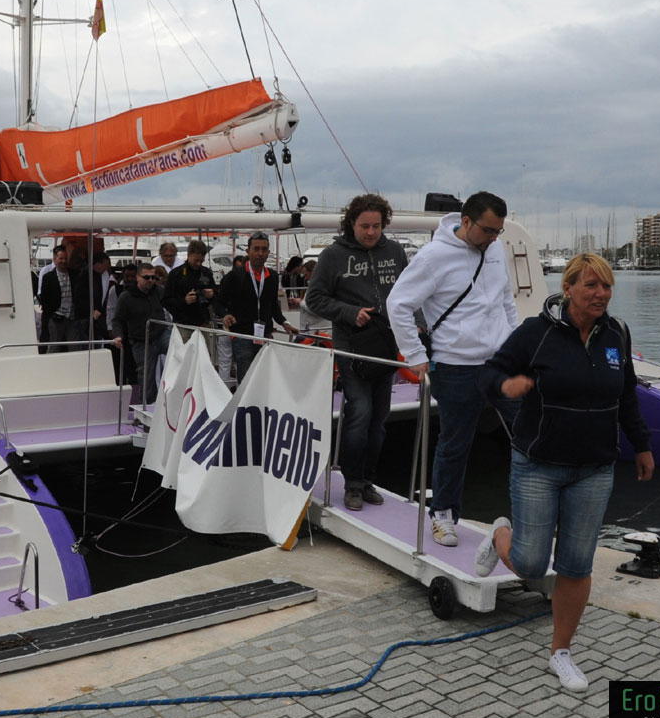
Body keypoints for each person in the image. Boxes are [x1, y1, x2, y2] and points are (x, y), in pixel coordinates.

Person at [475, 253, 654, 693]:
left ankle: (561, 652)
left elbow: (627, 396)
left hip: (595, 468)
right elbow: (490, 372)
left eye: (606, 286)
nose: (601, 294)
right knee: (532, 564)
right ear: (568, 287)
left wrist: (642, 445)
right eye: (591, 285)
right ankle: (500, 535)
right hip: (538, 465)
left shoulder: (616, 334)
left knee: (576, 564)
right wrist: (505, 385)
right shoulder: (536, 333)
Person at [387, 191, 520, 547]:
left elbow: (505, 301)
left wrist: (514, 345)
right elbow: (398, 303)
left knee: (528, 432)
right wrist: (415, 355)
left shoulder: (495, 250)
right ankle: (443, 515)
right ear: (465, 221)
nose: (493, 238)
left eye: (498, 231)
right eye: (488, 230)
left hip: (499, 363)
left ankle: (531, 512)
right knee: (455, 444)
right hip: (456, 364)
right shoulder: (434, 257)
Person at [305, 193, 407, 511]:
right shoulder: (333, 255)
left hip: (386, 348)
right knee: (360, 413)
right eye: (365, 226)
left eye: (377, 226)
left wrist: (416, 326)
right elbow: (314, 298)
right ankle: (352, 484)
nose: (371, 232)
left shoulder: (395, 252)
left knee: (379, 419)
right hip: (352, 348)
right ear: (352, 223)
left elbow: (409, 293)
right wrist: (350, 313)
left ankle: (367, 481)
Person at [218, 231, 298, 383]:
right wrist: (225, 315)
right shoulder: (235, 276)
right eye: (256, 249)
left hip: (265, 335)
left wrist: (284, 323)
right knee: (246, 381)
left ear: (268, 252)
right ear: (248, 251)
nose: (260, 253)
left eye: (264, 249)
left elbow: (273, 305)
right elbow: (219, 302)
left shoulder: (272, 276)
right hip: (243, 336)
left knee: (264, 379)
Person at [112, 262, 170, 404]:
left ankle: (176, 395)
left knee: (178, 351)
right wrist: (118, 335)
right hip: (141, 341)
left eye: (153, 277)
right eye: (147, 277)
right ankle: (147, 407)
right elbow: (117, 320)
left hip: (161, 334)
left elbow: (173, 304)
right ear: (138, 277)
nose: (151, 280)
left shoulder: (159, 291)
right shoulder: (126, 297)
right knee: (146, 377)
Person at [162, 239, 217, 334]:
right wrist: (184, 301)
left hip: (203, 324)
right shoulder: (176, 274)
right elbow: (165, 301)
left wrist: (212, 294)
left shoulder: (206, 273)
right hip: (183, 326)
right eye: (196, 260)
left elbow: (217, 297)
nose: (199, 264)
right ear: (188, 255)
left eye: (201, 261)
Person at [37, 245, 77, 352]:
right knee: (54, 346)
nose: (64, 261)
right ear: (55, 259)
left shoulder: (74, 274)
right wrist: (51, 314)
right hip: (56, 318)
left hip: (71, 317)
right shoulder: (48, 277)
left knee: (74, 346)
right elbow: (44, 298)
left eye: (65, 258)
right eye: (61, 258)